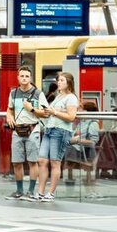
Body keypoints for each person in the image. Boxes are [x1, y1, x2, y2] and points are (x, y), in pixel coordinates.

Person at [31, 71, 77, 202]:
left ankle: (50, 193)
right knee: (42, 160)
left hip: (61, 130)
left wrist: (54, 112)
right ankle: (40, 192)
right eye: (58, 80)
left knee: (55, 162)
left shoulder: (71, 98)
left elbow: (71, 117)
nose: (59, 82)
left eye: (62, 80)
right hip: (49, 129)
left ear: (69, 82)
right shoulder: (58, 96)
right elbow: (53, 112)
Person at [4, 66, 48, 200]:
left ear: (30, 78)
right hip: (17, 130)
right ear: (18, 77)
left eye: (27, 76)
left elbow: (46, 113)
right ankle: (19, 191)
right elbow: (10, 109)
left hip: (32, 129)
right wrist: (9, 116)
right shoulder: (13, 93)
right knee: (17, 162)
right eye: (22, 76)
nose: (24, 78)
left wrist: (32, 109)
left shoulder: (38, 93)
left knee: (32, 161)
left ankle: (30, 191)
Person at [64, 101, 101, 185]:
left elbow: (92, 142)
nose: (77, 110)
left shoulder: (92, 124)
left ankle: (70, 179)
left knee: (68, 148)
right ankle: (69, 178)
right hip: (77, 148)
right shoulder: (82, 122)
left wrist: (78, 140)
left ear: (86, 111)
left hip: (84, 150)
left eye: (80, 108)